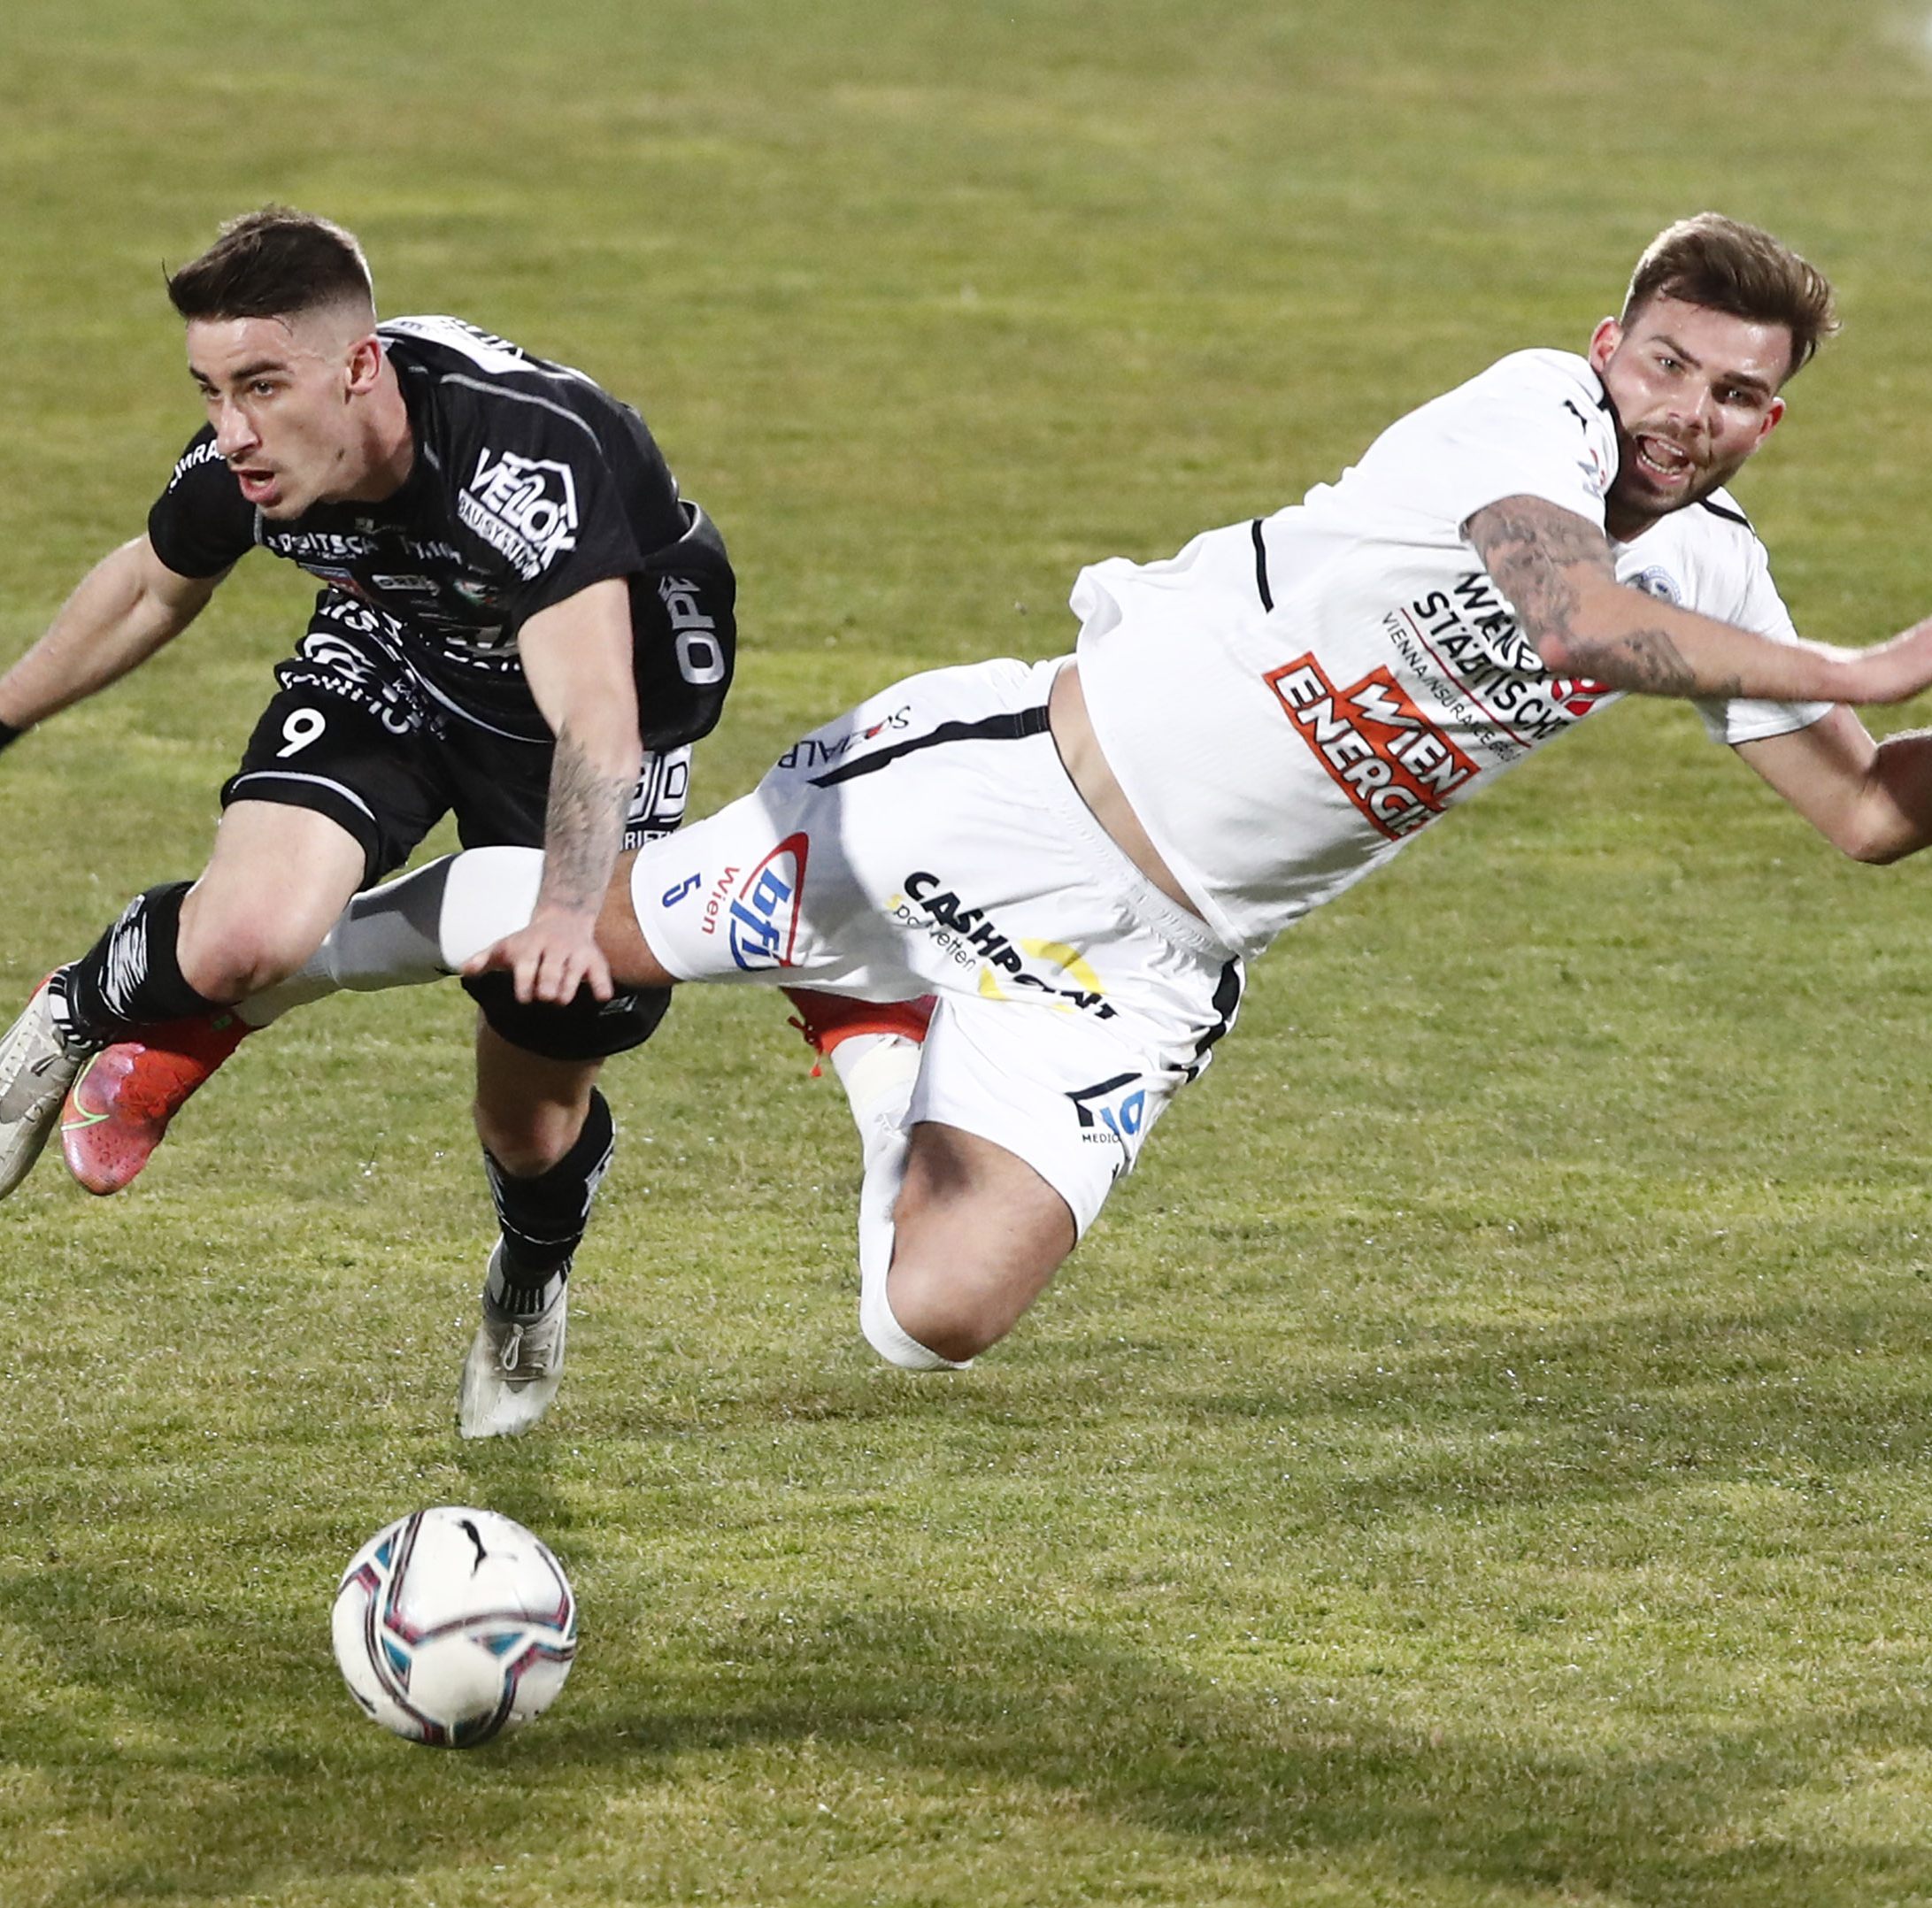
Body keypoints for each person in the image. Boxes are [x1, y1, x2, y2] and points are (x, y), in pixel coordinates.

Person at [21, 212, 1932, 1404]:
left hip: (1151, 958)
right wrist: (1864, 667)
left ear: (1775, 422)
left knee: (928, 1322)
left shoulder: (1734, 582)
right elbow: (1572, 611)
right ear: (1612, 348)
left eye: (1735, 393)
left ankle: (874, 1031)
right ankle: (182, 993)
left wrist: (1874, 721)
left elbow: (1866, 826)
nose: (1687, 406)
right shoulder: (1532, 415)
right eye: (1667, 361)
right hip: (1005, 794)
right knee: (566, 964)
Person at [0, 207, 737, 1437]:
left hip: (584, 716)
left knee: (532, 1119)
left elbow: (597, 712)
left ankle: (530, 1270)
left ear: (360, 365)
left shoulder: (522, 467)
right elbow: (148, 583)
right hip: (394, 652)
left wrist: (564, 910)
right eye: (211, 389)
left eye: (261, 387)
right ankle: (83, 1004)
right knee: (244, 937)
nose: (231, 429)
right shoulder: (265, 462)